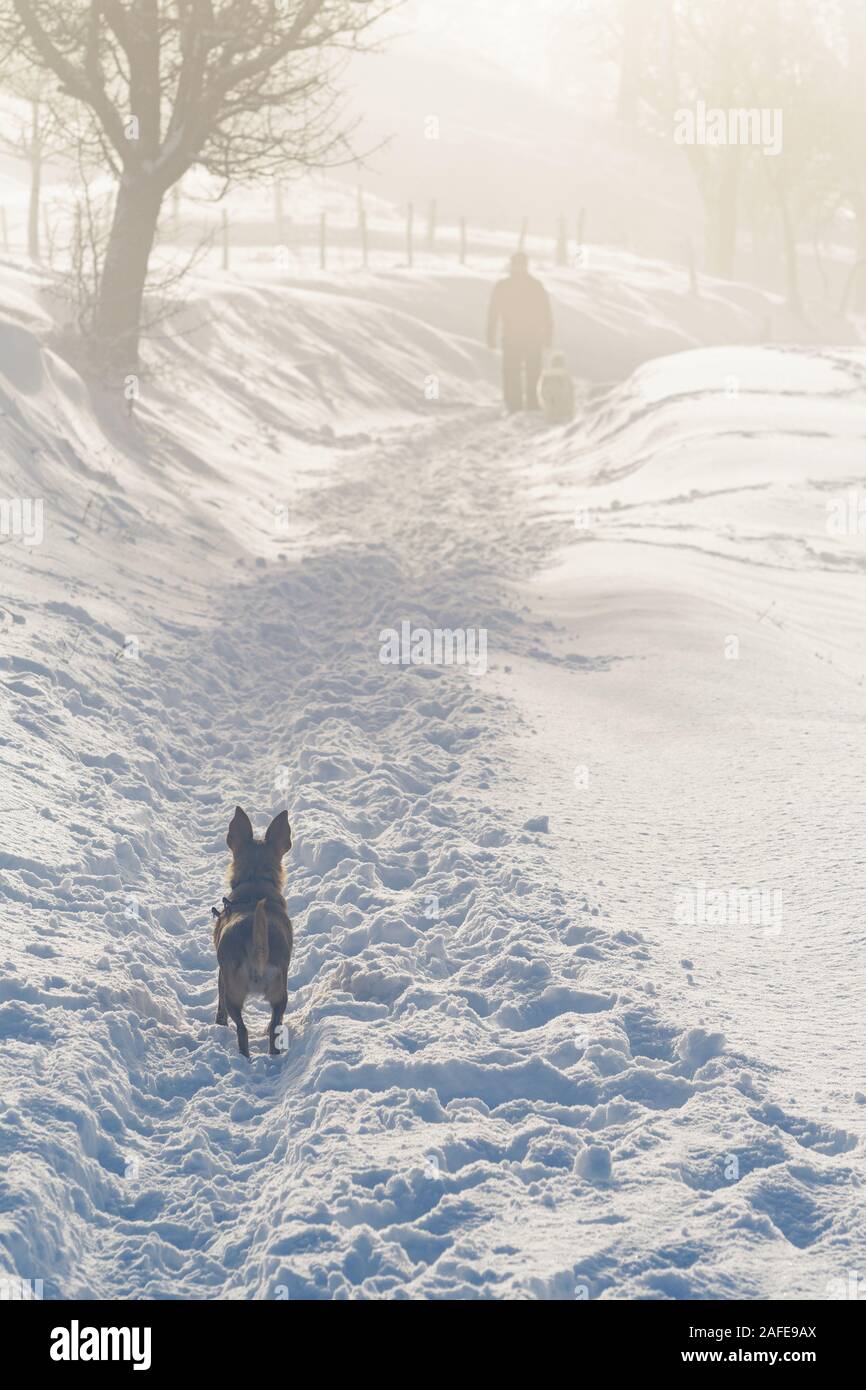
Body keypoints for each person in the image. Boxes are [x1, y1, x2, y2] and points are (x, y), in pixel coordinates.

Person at [487, 252, 553, 412]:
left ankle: (516, 403)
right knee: (527, 371)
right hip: (526, 336)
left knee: (516, 371)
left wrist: (491, 335)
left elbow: (493, 313)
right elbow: (547, 313)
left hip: (516, 336)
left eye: (519, 264)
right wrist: (547, 337)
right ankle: (526, 403)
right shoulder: (534, 285)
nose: (518, 267)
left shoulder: (504, 286)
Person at [539, 351, 575, 425]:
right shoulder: (565, 377)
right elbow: (571, 395)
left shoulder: (545, 376)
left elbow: (541, 393)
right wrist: (571, 415)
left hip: (550, 414)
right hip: (564, 415)